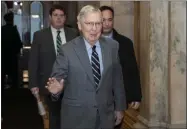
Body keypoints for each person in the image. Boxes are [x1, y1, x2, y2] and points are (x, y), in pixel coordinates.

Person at [45, 5, 126, 129]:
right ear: (79, 25)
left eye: (98, 23)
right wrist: (56, 91)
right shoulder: (67, 50)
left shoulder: (113, 46)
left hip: (105, 117)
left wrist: (120, 108)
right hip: (77, 119)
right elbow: (57, 80)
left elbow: (117, 80)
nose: (94, 28)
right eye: (89, 23)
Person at [28, 4, 79, 129]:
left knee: (71, 117)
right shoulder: (39, 35)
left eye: (61, 16)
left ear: (65, 18)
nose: (58, 18)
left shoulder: (74, 34)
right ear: (50, 17)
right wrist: (33, 83)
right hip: (49, 82)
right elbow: (34, 61)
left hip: (71, 83)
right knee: (54, 117)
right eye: (55, 15)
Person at [100, 5, 142, 108]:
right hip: (96, 98)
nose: (106, 24)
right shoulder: (90, 42)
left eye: (109, 20)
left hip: (118, 98)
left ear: (113, 20)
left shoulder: (125, 43)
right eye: (103, 20)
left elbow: (132, 70)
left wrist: (135, 96)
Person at [1, 11, 22, 90]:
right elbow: (18, 43)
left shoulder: (2, 29)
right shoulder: (14, 29)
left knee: (2, 72)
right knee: (13, 73)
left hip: (3, 55)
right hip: (12, 55)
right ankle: (14, 89)